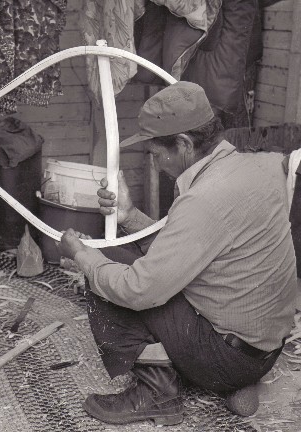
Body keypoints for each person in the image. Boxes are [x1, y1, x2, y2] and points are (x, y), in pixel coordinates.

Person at [57, 82, 297, 426]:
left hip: (228, 357)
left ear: (183, 144)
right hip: (264, 351)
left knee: (110, 275)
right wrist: (128, 217)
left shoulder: (203, 200)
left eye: (156, 154)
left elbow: (139, 290)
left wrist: (83, 255)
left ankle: (158, 394)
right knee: (129, 265)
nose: (154, 164)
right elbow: (186, 250)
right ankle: (231, 383)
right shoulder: (260, 167)